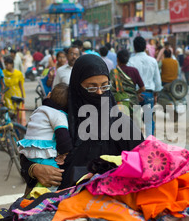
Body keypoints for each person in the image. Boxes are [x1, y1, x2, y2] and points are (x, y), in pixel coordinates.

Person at [20, 54, 143, 192]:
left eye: (104, 86)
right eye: (91, 88)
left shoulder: (121, 124)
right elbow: (30, 149)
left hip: (108, 203)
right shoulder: (58, 117)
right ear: (77, 88)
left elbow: (143, 162)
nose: (100, 93)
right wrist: (35, 169)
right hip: (60, 202)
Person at [18, 83, 73, 188]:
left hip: (28, 153)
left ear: (49, 95)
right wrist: (64, 153)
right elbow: (63, 137)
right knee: (56, 176)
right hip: (44, 154)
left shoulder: (39, 110)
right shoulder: (59, 115)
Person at [128, 36, 162, 137]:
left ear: (134, 47)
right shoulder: (152, 61)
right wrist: (155, 95)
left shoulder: (131, 61)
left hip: (135, 94)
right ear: (145, 48)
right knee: (148, 120)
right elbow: (158, 82)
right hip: (149, 94)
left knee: (135, 121)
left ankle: (136, 143)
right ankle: (149, 143)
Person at [110, 49, 146, 128]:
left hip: (120, 103)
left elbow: (111, 90)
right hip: (133, 103)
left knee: (120, 128)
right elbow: (143, 88)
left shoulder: (114, 72)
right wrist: (135, 93)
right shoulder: (134, 70)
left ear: (117, 59)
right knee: (135, 128)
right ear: (128, 59)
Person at [3, 56, 25, 124]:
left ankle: (17, 129)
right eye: (5, 64)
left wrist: (23, 97)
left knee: (18, 114)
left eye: (7, 64)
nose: (6, 66)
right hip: (7, 96)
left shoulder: (18, 74)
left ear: (12, 64)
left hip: (17, 96)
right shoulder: (3, 73)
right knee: (10, 112)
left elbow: (21, 86)